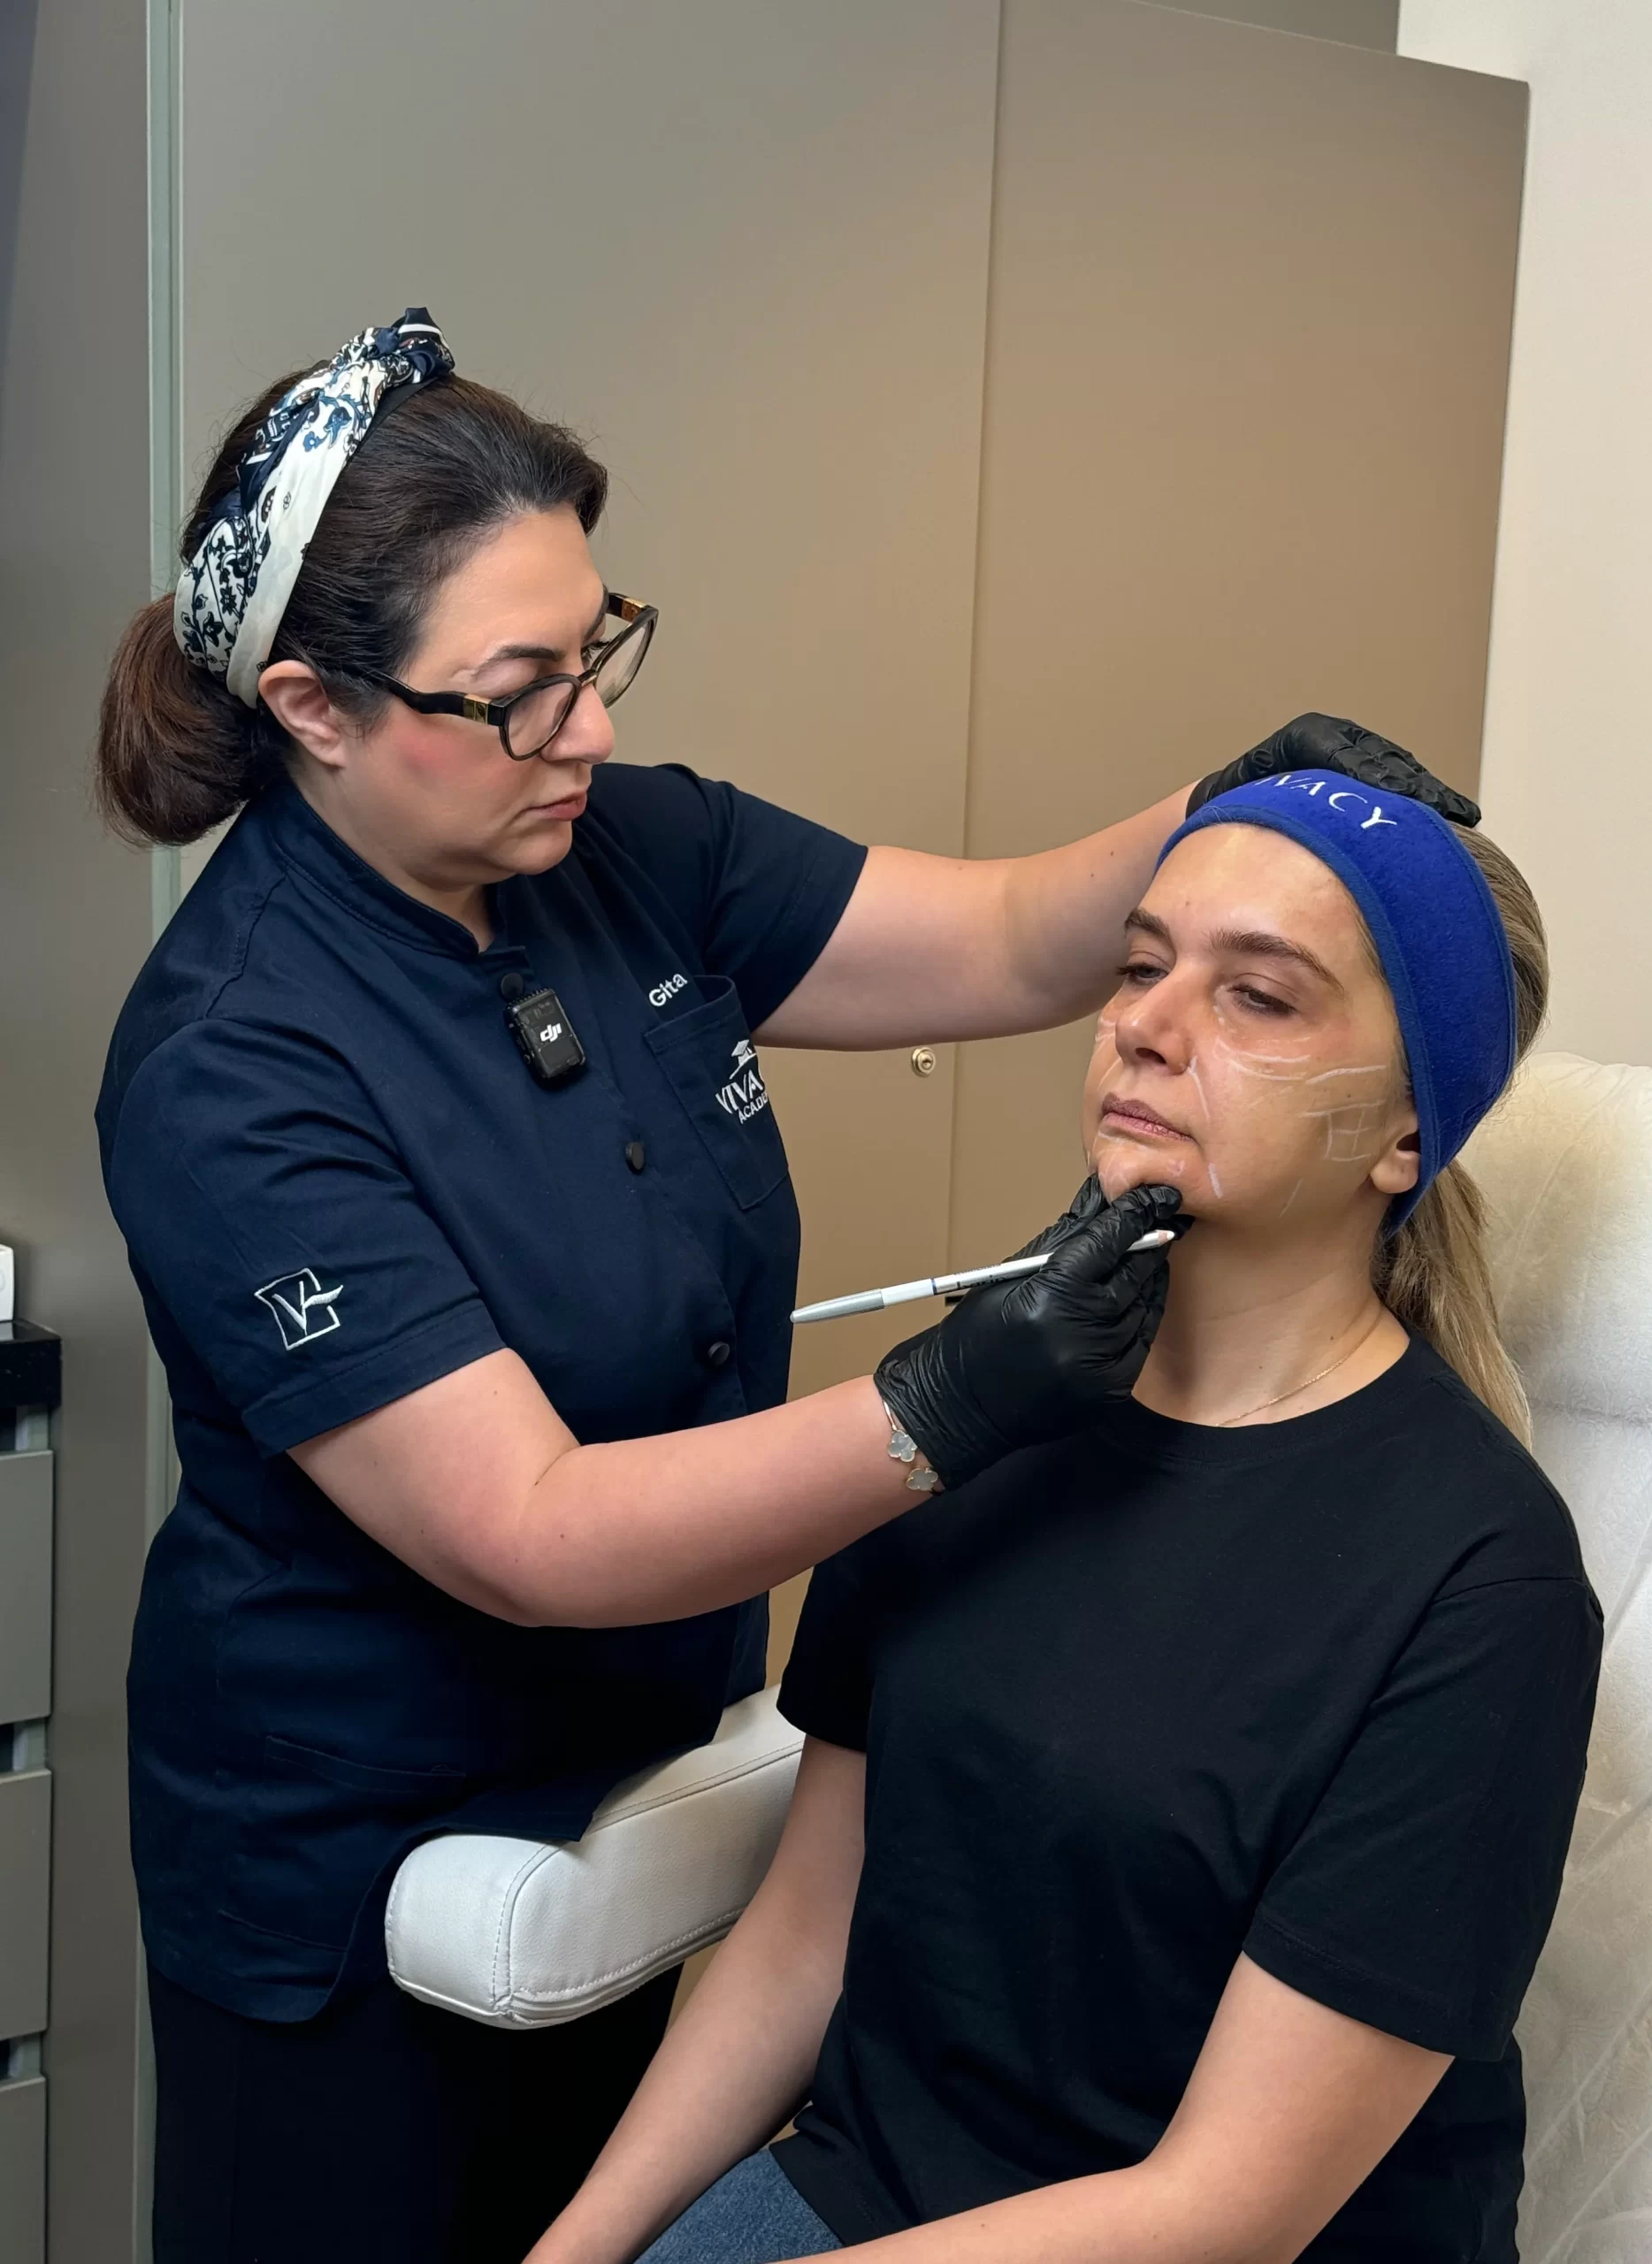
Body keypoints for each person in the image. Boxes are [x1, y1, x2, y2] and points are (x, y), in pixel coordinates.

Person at [93, 307, 1471, 2260]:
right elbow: (533, 1529)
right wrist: (948, 1406)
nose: (590, 730)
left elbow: (1011, 935)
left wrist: (1224, 812)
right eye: (521, 695)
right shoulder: (232, 1064)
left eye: (599, 653)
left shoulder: (621, 845)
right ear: (316, 708)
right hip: (355, 1868)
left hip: (651, 1789)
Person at [530, 779, 1601, 2264]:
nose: (1146, 1024)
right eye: (1142, 963)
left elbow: (1226, 2210)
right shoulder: (971, 1415)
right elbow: (804, 1935)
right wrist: (578, 2250)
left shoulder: (1483, 1585)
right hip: (870, 2197)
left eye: (1258, 996)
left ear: (1408, 1133)